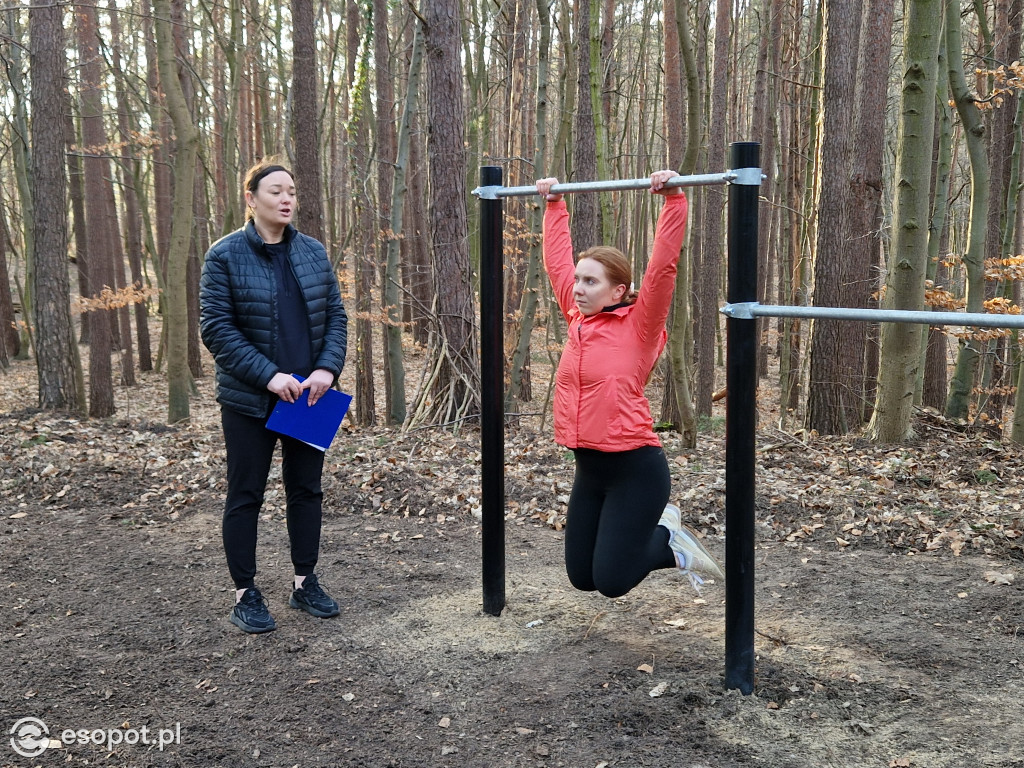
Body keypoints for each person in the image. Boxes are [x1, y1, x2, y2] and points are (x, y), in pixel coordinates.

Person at [535, 170, 724, 598]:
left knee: (613, 581)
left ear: (618, 291)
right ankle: (655, 535)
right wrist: (553, 205)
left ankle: (671, 541)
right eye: (578, 280)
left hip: (635, 469)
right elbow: (557, 264)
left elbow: (662, 267)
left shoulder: (641, 326)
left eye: (591, 282)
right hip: (589, 468)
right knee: (583, 578)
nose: (578, 289)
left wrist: (673, 200)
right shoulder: (578, 320)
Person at [200, 158, 348, 634]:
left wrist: (326, 369)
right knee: (246, 494)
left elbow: (337, 319)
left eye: (291, 191)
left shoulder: (312, 252)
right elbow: (216, 329)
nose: (286, 199)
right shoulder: (223, 255)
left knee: (306, 491)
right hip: (251, 399)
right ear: (251, 199)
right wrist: (268, 376)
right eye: (275, 191)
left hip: (309, 397)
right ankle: (245, 593)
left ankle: (305, 583)